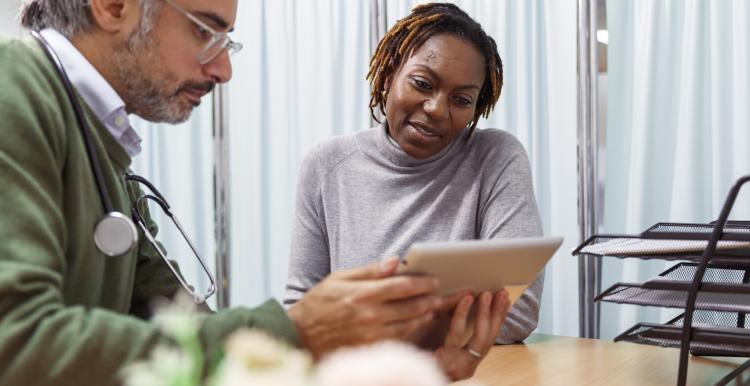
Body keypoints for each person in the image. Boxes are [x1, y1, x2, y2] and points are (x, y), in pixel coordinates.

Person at [0, 1, 480, 385]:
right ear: (112, 6)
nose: (224, 69)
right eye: (205, 32)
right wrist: (299, 331)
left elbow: (182, 331)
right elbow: (17, 345)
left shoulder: (101, 144)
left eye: (226, 41)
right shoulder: (13, 90)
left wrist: (389, 368)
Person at [285, 2, 544, 379]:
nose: (437, 109)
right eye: (423, 83)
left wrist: (360, 325)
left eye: (462, 99)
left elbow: (516, 312)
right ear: (390, 74)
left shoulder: (496, 157)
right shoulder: (326, 165)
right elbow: (301, 315)